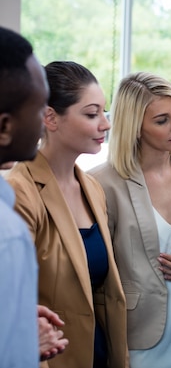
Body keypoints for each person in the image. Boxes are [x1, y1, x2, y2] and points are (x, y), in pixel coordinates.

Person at [7, 60, 128, 368]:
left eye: (104, 111)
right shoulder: (20, 192)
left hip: (98, 353)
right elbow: (12, 301)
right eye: (92, 114)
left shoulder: (92, 187)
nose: (106, 123)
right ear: (50, 118)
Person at [89, 72, 171, 368]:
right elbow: (100, 268)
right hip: (134, 333)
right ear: (135, 127)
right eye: (162, 120)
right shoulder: (102, 182)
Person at [0, 26, 67, 366]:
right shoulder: (7, 234)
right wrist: (19, 339)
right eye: (40, 108)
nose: (45, 122)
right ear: (4, 127)